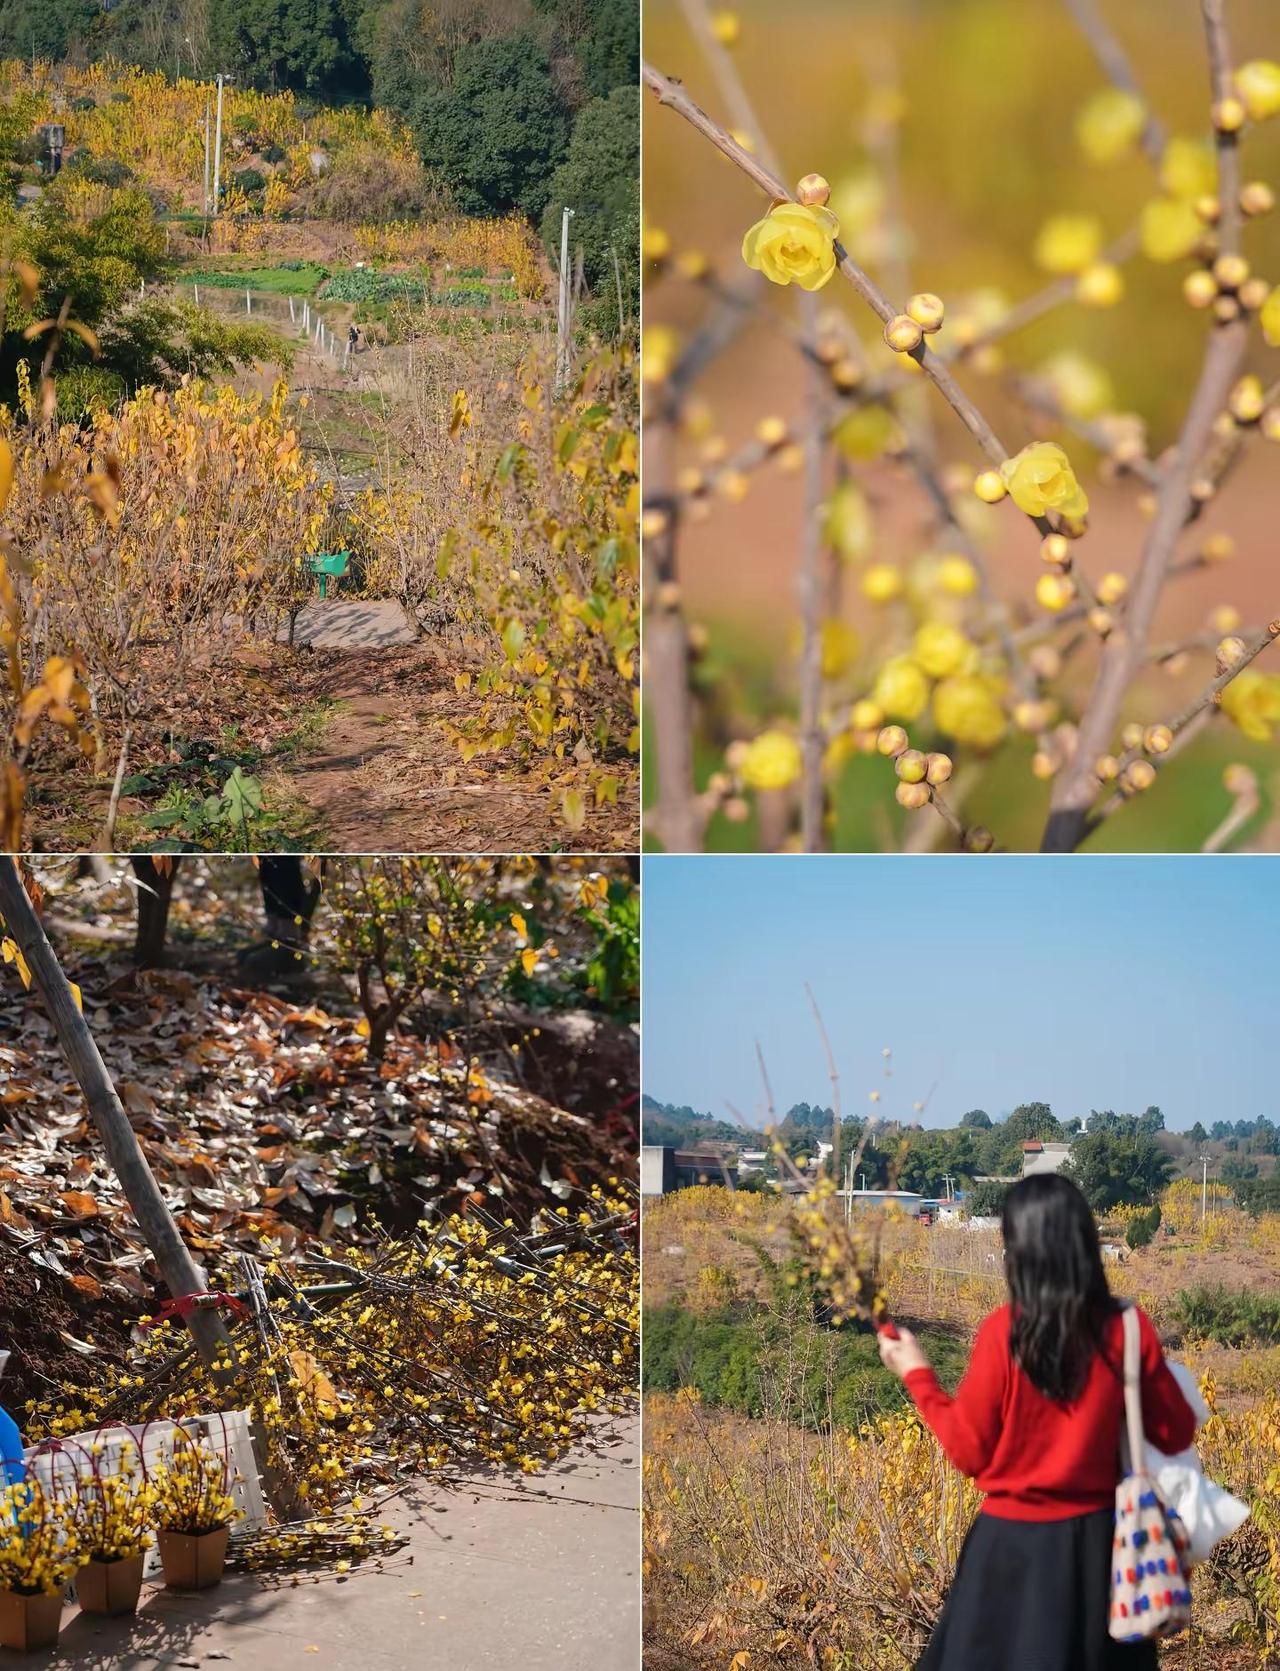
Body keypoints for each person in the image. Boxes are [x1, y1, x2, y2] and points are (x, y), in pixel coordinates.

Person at [877, 1173, 1196, 1671]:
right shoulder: (1128, 1328)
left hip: (1008, 1553)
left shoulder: (1004, 1331)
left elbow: (968, 1451)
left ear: (1017, 1250)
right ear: (1085, 1243)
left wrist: (917, 1374)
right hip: (1100, 1553)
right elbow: (1175, 1432)